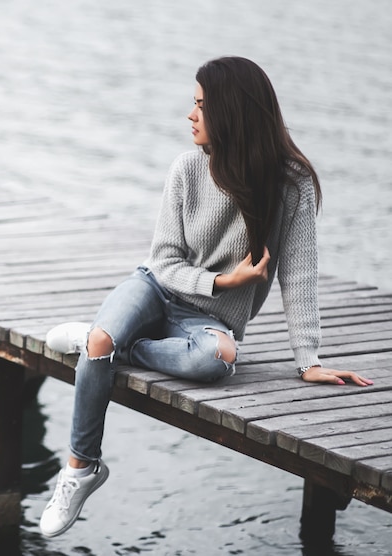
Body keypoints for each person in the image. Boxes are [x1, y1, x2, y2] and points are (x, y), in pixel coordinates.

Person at [38, 56, 373, 538]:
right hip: (155, 288)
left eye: (200, 105)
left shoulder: (290, 184)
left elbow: (299, 274)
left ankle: (110, 347)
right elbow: (166, 262)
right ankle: (81, 468)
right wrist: (223, 282)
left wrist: (308, 359)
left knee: (220, 358)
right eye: (192, 104)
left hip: (205, 324)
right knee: (101, 342)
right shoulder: (187, 169)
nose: (190, 115)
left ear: (232, 112)